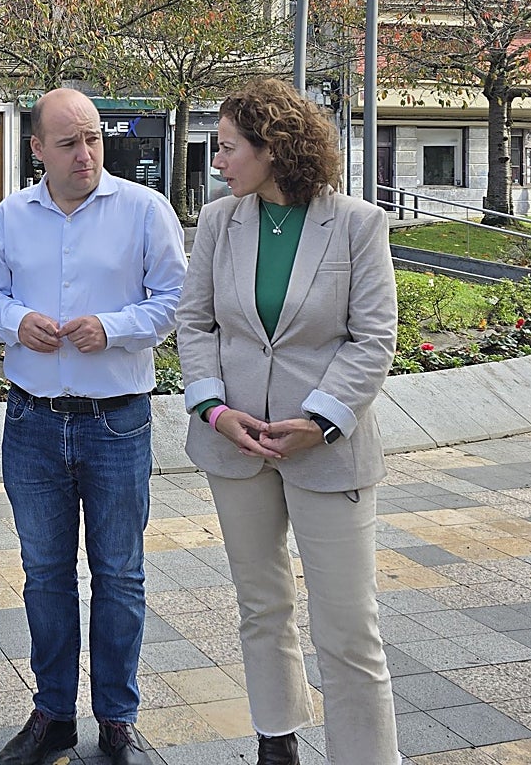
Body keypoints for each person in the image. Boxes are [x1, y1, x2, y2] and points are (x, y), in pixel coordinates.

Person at [176, 77, 399, 765]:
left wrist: (321, 420)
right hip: (236, 446)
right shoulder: (219, 221)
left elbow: (374, 337)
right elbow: (195, 321)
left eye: (228, 148)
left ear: (272, 148)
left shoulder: (356, 223)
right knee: (261, 605)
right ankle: (277, 738)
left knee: (346, 625)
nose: (217, 162)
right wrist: (214, 408)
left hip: (326, 451)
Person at [0, 88, 186, 765]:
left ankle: (117, 719)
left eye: (92, 138)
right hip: (33, 420)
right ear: (37, 149)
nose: (85, 153)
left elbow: (175, 300)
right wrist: (13, 322)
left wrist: (114, 329)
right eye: (68, 143)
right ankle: (52, 713)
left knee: (120, 575)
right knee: (44, 575)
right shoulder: (11, 217)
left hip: (116, 421)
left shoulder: (145, 210)